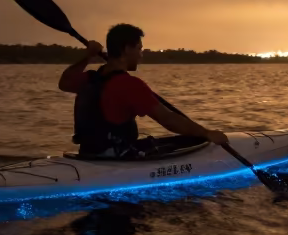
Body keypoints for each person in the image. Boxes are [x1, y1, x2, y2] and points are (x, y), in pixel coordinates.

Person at [58, 23, 229, 158]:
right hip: (115, 158)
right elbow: (168, 120)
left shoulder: (90, 78)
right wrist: (207, 133)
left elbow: (64, 82)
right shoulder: (130, 85)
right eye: (139, 48)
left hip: (87, 154)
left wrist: (87, 55)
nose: (141, 55)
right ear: (127, 49)